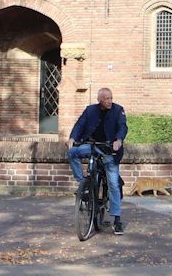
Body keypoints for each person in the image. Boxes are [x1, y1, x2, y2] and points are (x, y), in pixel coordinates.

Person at [68, 86, 128, 234]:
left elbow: (122, 127)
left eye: (110, 98)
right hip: (92, 146)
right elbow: (80, 124)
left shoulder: (118, 110)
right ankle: (83, 182)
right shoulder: (90, 110)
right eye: (106, 99)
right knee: (72, 152)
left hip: (109, 150)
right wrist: (72, 138)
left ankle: (117, 219)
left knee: (113, 184)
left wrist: (118, 140)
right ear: (99, 100)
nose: (109, 101)